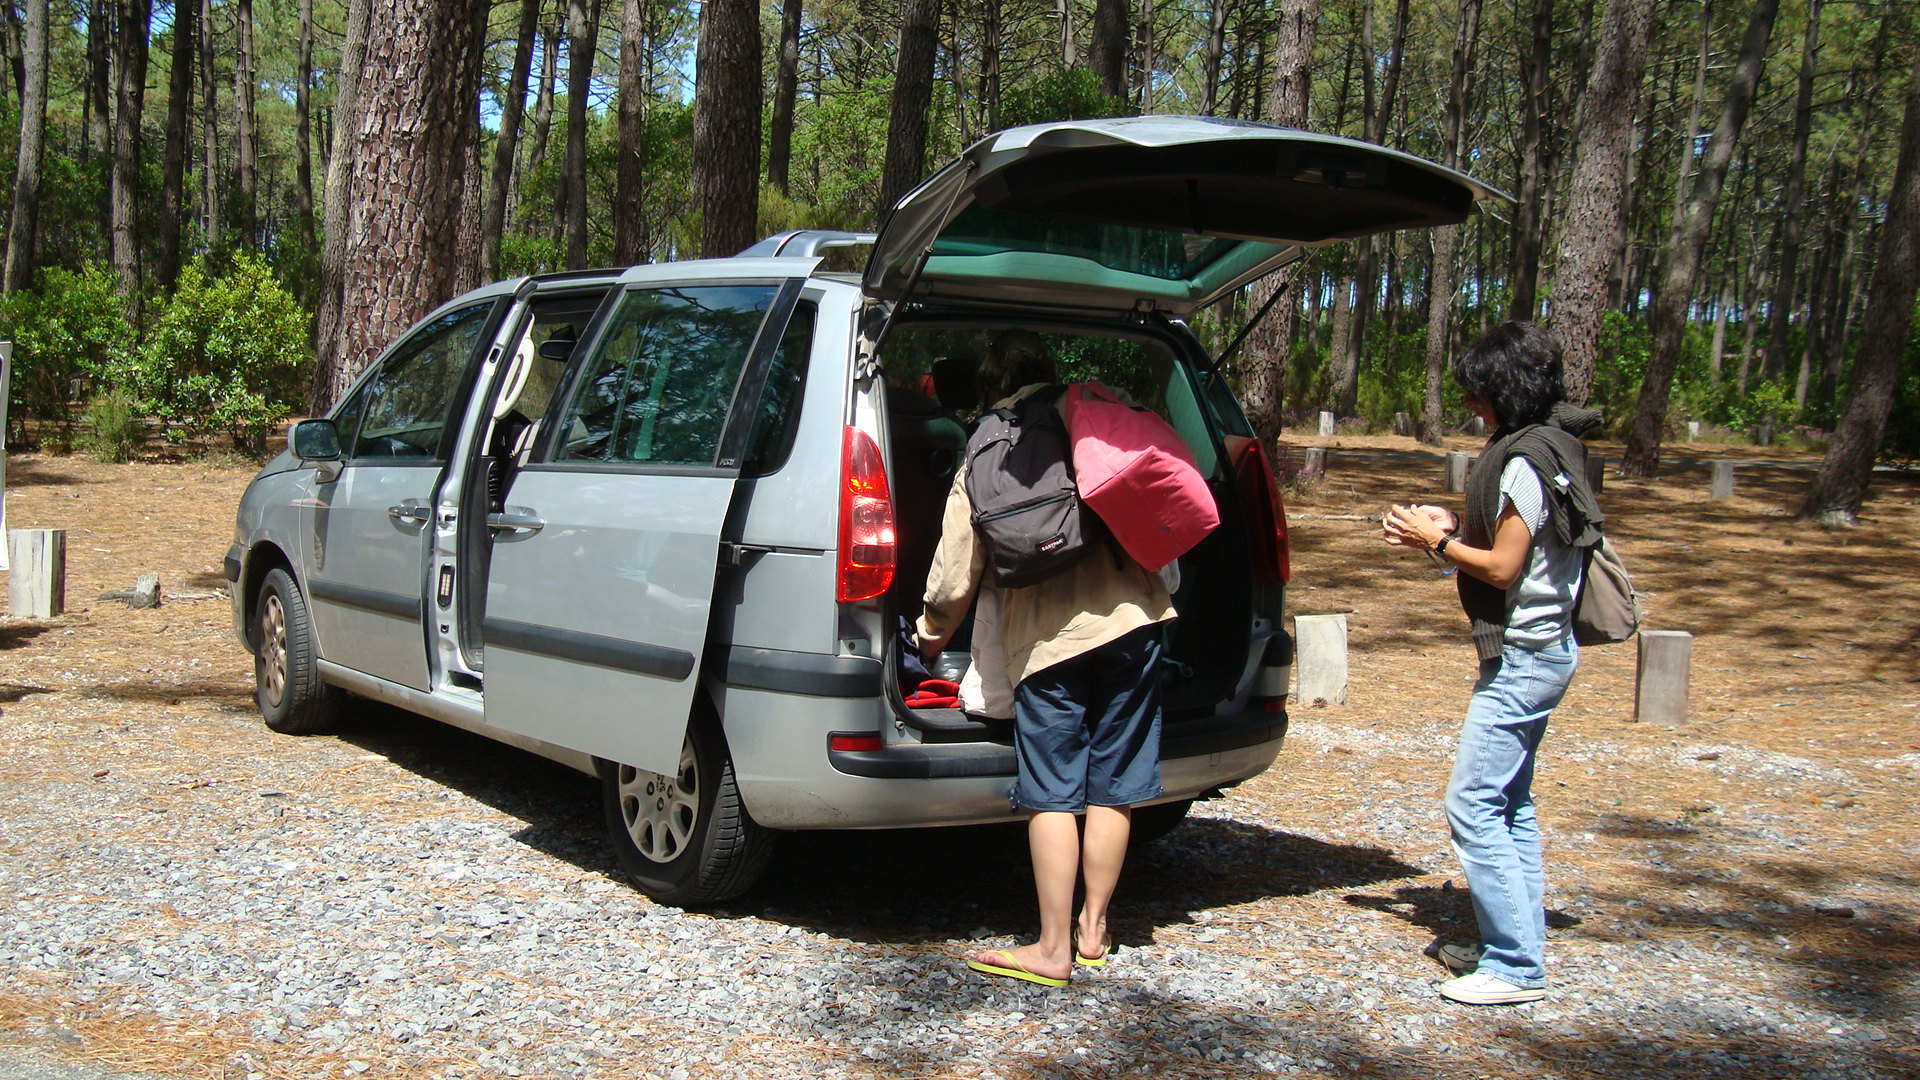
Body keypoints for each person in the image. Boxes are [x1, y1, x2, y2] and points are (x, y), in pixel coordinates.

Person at [915, 329, 1176, 987]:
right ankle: (1094, 929)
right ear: (1048, 370)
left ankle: (1052, 949)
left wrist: (930, 635)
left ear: (989, 386)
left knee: (1053, 790)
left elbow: (955, 570)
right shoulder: (1092, 412)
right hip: (1134, 619)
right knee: (1116, 781)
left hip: (1050, 640)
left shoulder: (985, 444)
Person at [1382, 320, 1604, 1006]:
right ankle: (1515, 943)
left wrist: (1433, 541)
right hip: (1544, 651)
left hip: (1525, 657)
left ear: (1505, 390)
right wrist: (1451, 529)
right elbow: (1525, 549)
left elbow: (1505, 568)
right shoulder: (1552, 445)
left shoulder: (1524, 461)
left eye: (1477, 391)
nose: (1470, 404)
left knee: (1473, 805)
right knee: (1509, 805)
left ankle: (1514, 968)